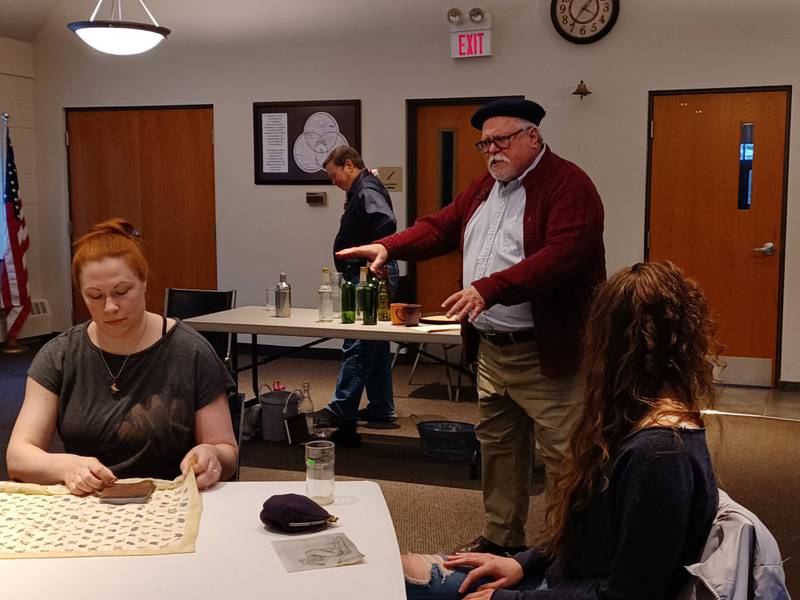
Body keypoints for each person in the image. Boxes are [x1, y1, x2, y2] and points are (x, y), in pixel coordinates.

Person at [337, 98, 606, 553]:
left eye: (501, 140)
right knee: (499, 448)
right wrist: (389, 246)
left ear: (532, 136)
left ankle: (576, 550)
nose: (492, 152)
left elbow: (562, 256)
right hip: (494, 349)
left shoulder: (568, 184)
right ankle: (502, 541)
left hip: (549, 352)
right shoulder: (486, 186)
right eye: (485, 144)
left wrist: (489, 288)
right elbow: (441, 227)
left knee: (567, 458)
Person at [403, 261, 721, 600]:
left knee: (402, 582)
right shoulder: (641, 421)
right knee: (405, 570)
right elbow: (590, 536)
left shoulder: (659, 455)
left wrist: (508, 598)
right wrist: (523, 563)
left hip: (566, 592)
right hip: (560, 582)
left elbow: (628, 595)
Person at [6, 219, 238, 494]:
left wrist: (211, 453)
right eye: (95, 296)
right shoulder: (60, 355)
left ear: (143, 283)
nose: (110, 307)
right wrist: (65, 466)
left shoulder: (190, 351)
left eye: (121, 292)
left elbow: (226, 451)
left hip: (170, 498)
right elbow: (19, 456)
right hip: (89, 502)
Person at [314, 145, 399, 427]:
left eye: (334, 174)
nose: (333, 181)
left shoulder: (366, 190)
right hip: (372, 273)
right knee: (373, 344)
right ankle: (381, 408)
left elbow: (386, 221)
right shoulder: (363, 188)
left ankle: (342, 406)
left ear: (349, 165)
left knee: (358, 341)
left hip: (369, 275)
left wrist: (369, 252)